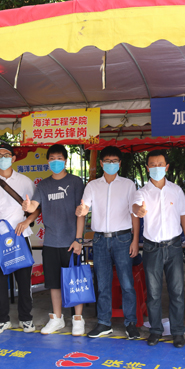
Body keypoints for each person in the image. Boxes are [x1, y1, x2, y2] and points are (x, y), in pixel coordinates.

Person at [76, 146, 141, 340]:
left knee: (126, 283)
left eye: (114, 161)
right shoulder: (93, 186)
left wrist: (135, 240)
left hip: (123, 238)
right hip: (99, 239)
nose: (111, 164)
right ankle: (104, 323)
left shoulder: (128, 184)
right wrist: (82, 210)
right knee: (102, 283)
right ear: (101, 163)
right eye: (107, 161)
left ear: (119, 163)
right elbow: (85, 207)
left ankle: (131, 323)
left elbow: (134, 213)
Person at [22, 144, 86, 336]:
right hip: (51, 242)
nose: (55, 162)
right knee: (54, 283)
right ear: (48, 161)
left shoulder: (75, 182)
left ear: (65, 161)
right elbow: (34, 206)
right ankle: (57, 318)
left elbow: (81, 213)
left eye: (59, 158)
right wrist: (27, 206)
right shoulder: (43, 185)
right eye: (52, 159)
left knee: (75, 281)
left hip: (71, 242)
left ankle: (77, 319)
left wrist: (79, 239)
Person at [132, 150, 185, 348]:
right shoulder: (142, 192)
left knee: (177, 292)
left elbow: (184, 214)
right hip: (152, 248)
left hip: (174, 246)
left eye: (160, 164)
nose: (156, 168)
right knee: (154, 293)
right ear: (147, 168)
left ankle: (178, 332)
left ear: (166, 167)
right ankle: (156, 330)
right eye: (152, 164)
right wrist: (139, 210)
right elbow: (135, 207)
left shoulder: (176, 190)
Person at [0, 143, 39, 335]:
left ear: (13, 159)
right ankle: (1, 320)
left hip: (21, 237)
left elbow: (36, 209)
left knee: (24, 281)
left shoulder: (25, 181)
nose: (3, 158)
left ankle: (26, 318)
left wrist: (27, 221)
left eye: (7, 155)